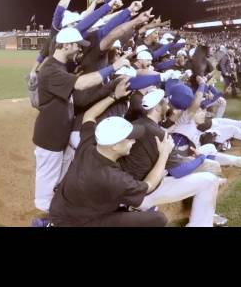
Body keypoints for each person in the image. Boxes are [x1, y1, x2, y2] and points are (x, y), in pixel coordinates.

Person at [32, 27, 132, 213]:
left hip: (61, 134)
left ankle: (55, 210)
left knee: (60, 179)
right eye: (77, 45)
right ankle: (44, 219)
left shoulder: (61, 66)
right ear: (65, 45)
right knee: (45, 192)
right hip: (49, 136)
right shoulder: (50, 69)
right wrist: (113, 68)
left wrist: (112, 87)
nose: (79, 49)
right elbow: (81, 84)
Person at [48, 80, 171, 227]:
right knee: (158, 219)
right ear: (114, 146)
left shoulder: (89, 146)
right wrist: (164, 154)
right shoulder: (113, 178)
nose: (133, 142)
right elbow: (148, 185)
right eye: (129, 139)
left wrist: (114, 96)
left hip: (60, 210)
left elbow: (89, 116)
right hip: (78, 223)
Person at [118, 88, 224, 227]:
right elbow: (178, 172)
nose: (168, 107)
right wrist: (201, 158)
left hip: (127, 187)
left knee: (173, 166)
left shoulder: (136, 124)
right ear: (156, 108)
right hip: (144, 192)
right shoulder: (159, 133)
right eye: (165, 104)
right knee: (209, 180)